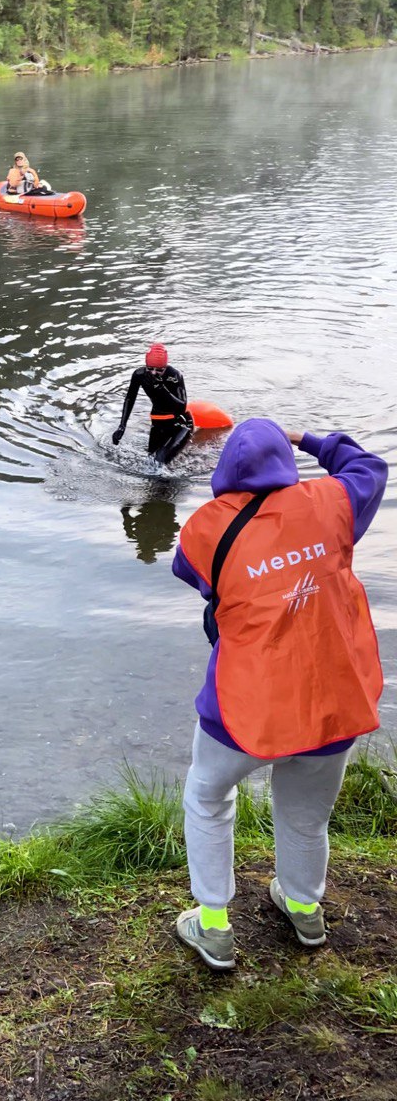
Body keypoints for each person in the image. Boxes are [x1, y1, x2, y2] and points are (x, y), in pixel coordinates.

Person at [171, 419, 387, 970]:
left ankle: (214, 926)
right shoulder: (333, 502)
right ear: (287, 468)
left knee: (207, 796)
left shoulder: (204, 530)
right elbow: (369, 467)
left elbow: (191, 573)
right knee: (305, 816)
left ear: (223, 473)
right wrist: (311, 440)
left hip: (245, 707)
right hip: (331, 703)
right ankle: (303, 908)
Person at [112, 344, 193, 464]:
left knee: (159, 460)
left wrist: (161, 389)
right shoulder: (139, 375)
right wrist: (122, 426)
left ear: (165, 367)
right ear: (146, 366)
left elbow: (181, 407)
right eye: (150, 368)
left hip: (181, 424)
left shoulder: (174, 376)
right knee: (150, 460)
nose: (154, 373)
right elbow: (130, 398)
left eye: (159, 370)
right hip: (158, 422)